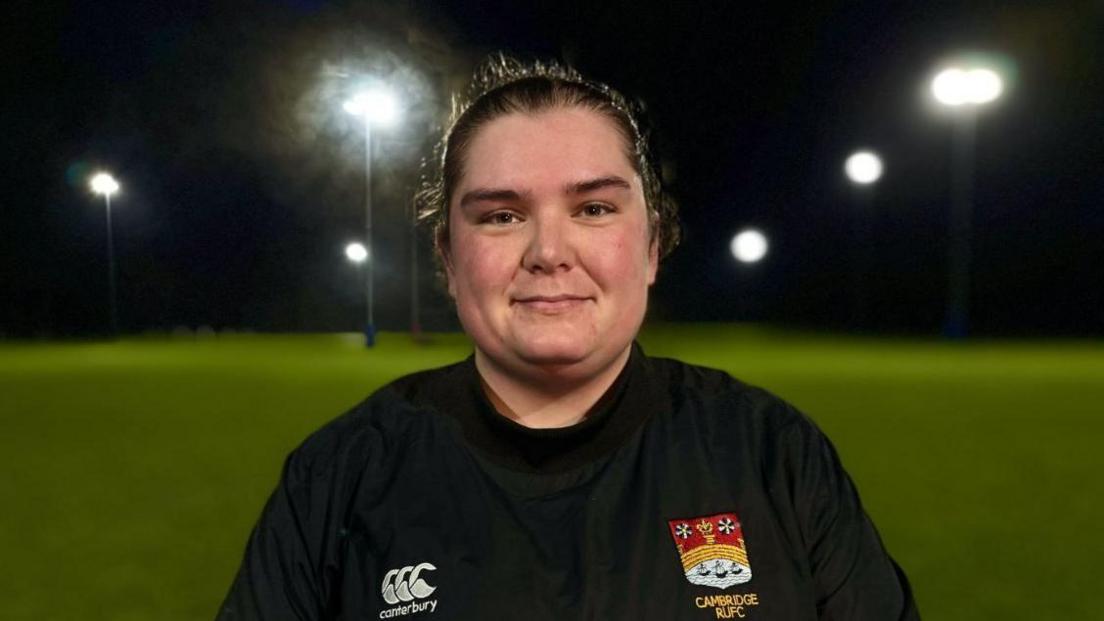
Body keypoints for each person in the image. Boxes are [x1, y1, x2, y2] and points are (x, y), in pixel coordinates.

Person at [217, 55, 919, 620]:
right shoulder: (341, 474)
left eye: (593, 207)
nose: (549, 251)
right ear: (448, 261)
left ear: (650, 247)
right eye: (500, 216)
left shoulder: (773, 456)